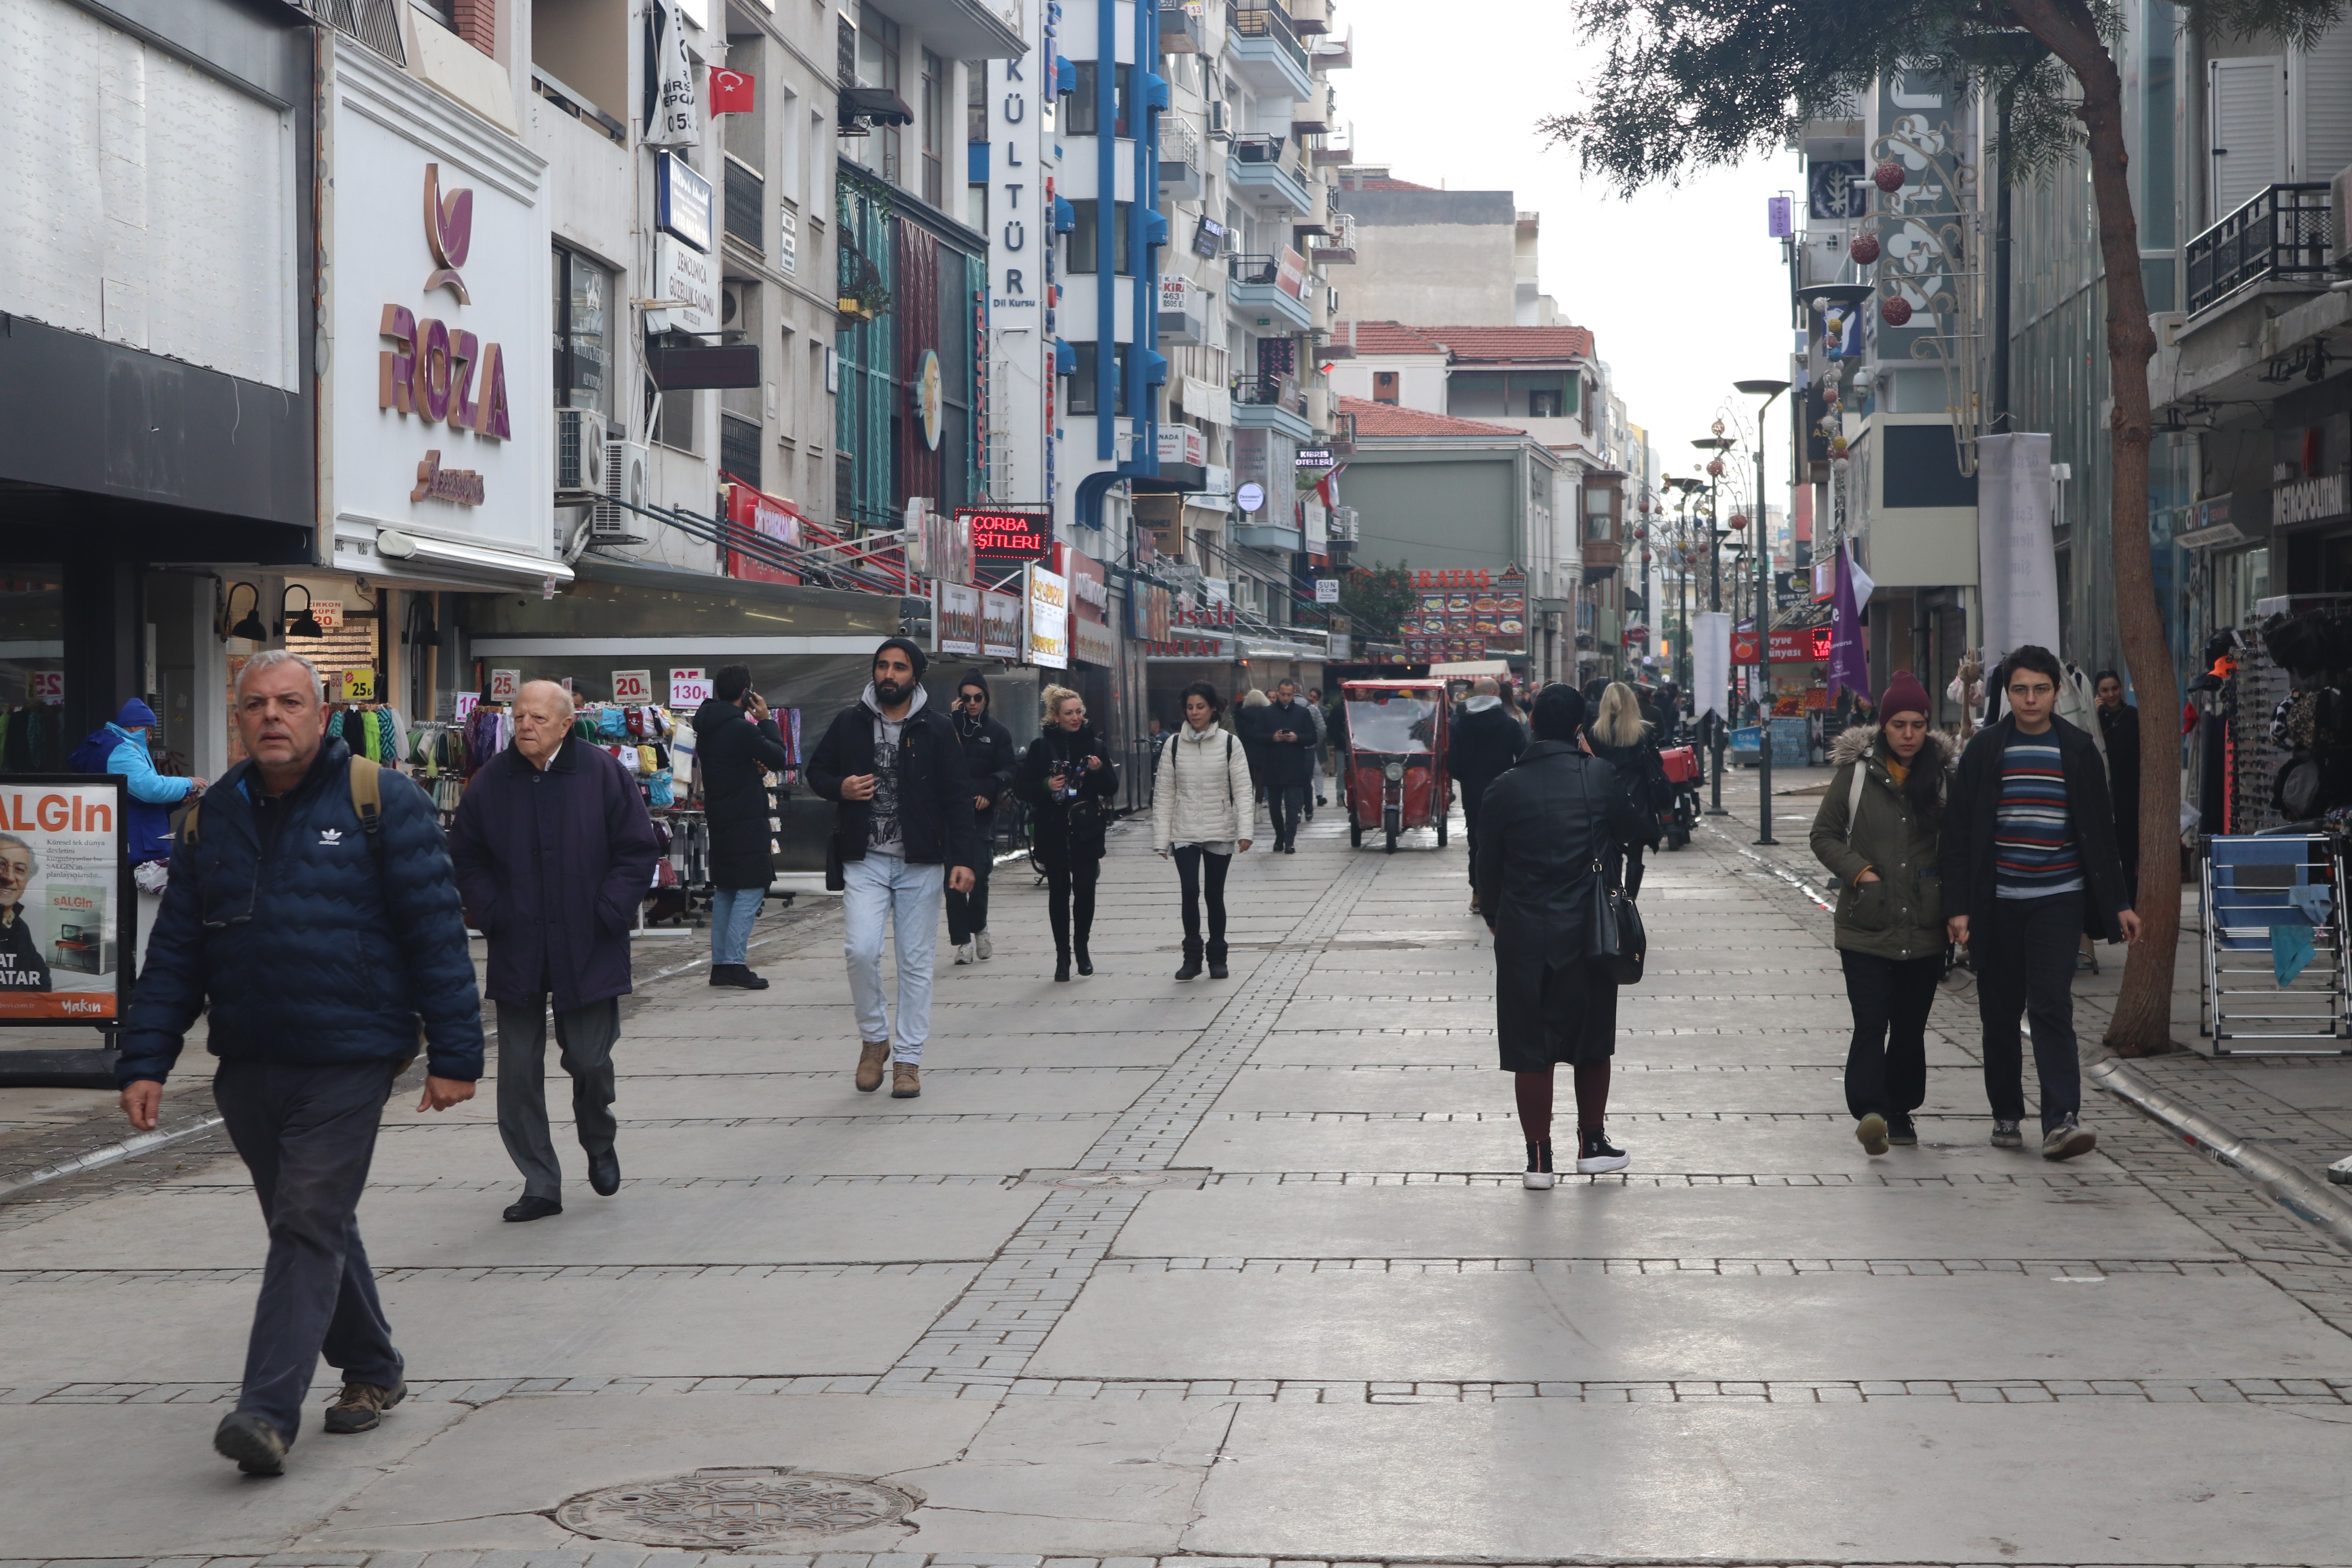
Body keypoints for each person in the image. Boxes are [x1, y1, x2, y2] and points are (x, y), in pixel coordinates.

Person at [114, 650, 482, 1476]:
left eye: (289, 702)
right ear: (237, 718)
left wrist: (455, 1052)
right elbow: (176, 952)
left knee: (307, 1215)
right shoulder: (212, 816)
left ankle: (265, 1412)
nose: (272, 716)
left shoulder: (383, 800)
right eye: (256, 704)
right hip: (249, 1060)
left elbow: (435, 934)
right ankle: (374, 1367)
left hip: (352, 1051)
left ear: (322, 714)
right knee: (311, 1219)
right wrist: (146, 1058)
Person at [448, 679, 661, 1223]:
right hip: (519, 941)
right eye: (519, 716)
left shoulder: (603, 773)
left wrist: (610, 911)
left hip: (589, 940)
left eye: (538, 718)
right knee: (518, 1071)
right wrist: (491, 912)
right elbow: (465, 853)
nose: (524, 726)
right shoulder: (492, 782)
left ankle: (598, 1136)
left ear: (568, 724)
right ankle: (540, 1182)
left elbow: (637, 849)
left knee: (590, 1059)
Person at [1942, 644, 2141, 1158]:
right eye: (2020, 690)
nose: (2031, 700)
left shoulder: (2077, 750)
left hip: (2059, 899)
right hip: (1998, 902)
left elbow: (2102, 834)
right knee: (2001, 1012)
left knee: (2052, 1006)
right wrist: (1959, 907)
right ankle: (2007, 1112)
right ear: (2007, 695)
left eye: (2041, 689)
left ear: (2057, 691)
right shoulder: (1986, 751)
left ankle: (2062, 1120)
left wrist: (2120, 903)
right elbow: (1960, 835)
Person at [1475, 684, 1650, 1186]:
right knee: (1592, 1040)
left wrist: (1494, 915)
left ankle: (1538, 1159)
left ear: (1530, 722)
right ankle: (1592, 1144)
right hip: (1589, 930)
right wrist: (1593, 763)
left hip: (1526, 931)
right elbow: (1636, 828)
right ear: (1581, 727)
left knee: (1530, 1046)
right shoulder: (1599, 776)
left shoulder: (1504, 787)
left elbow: (1488, 863)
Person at [809, 639, 980, 1098]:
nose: (889, 674)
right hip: (864, 859)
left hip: (919, 861)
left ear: (915, 675)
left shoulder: (938, 729)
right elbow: (817, 772)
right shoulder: (850, 722)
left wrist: (964, 859)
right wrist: (840, 787)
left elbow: (958, 798)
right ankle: (874, 1039)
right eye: (882, 666)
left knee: (916, 963)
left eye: (899, 667)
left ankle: (909, 1060)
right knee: (861, 951)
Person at [1809, 673, 1953, 1156]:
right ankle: (1871, 1110)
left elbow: (1958, 846)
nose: (1908, 734)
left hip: (1925, 924)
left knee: (1910, 1026)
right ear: (1883, 726)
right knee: (1871, 1020)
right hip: (1866, 924)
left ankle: (1901, 1108)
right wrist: (1860, 872)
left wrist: (1955, 905)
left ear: (1927, 727)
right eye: (1898, 724)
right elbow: (1824, 835)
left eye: (1917, 724)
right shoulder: (1855, 775)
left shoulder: (1942, 778)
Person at [692, 665, 790, 989]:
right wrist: (765, 720)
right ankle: (734, 962)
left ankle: (721, 965)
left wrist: (753, 769)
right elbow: (778, 756)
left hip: (720, 815)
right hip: (746, 817)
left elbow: (734, 767)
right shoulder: (742, 729)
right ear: (747, 693)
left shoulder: (707, 728)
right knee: (751, 887)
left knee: (727, 890)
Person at [1152, 681, 1258, 980]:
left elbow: (1243, 789)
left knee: (1214, 894)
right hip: (1184, 829)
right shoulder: (1173, 745)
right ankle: (1192, 957)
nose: (1195, 713)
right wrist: (1162, 840)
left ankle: (1218, 957)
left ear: (1213, 708)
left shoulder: (1228, 743)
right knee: (1189, 891)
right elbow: (1164, 794)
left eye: (1200, 707)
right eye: (1190, 707)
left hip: (1218, 828)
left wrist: (1245, 831)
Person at [1016, 685, 1120, 981]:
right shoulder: (1041, 747)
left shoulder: (1096, 747)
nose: (1075, 718)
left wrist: (1100, 772)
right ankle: (1063, 956)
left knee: (1086, 889)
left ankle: (1082, 948)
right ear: (1055, 717)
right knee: (1059, 894)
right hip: (1053, 830)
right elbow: (1023, 789)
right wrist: (1045, 786)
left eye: (1079, 712)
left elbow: (1112, 788)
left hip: (1086, 831)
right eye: (1069, 714)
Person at [947, 672, 1015, 965]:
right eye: (966, 698)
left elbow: (1010, 769)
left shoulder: (998, 732)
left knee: (980, 876)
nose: (972, 703)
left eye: (978, 698)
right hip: (951, 812)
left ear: (986, 699)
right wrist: (953, 725)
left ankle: (980, 928)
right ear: (959, 700)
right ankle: (962, 941)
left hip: (981, 813)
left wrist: (991, 788)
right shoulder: (948, 728)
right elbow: (940, 765)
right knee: (952, 881)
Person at [1447, 677, 1528, 915]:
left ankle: (1478, 895)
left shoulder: (1460, 725)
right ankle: (1504, 892)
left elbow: (1453, 764)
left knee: (1477, 843)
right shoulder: (1509, 725)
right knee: (1507, 842)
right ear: (1495, 693)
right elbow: (1524, 756)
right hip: (1505, 792)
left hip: (1473, 793)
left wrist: (1468, 779)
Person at [1583, 682, 1667, 895]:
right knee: (1636, 851)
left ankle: (1614, 893)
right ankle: (1630, 900)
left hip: (1606, 793)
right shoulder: (1643, 731)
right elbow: (1657, 762)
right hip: (1636, 794)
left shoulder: (1596, 732)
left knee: (1612, 848)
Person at [2094, 670, 2141, 902]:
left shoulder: (2133, 717)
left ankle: (2133, 899)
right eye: (2105, 690)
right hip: (2106, 791)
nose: (2111, 694)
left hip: (2131, 792)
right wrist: (2095, 715)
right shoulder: (2097, 719)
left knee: (2132, 850)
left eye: (2114, 688)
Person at [1260, 678, 1317, 852]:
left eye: (1289, 695)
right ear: (1277, 693)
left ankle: (1290, 840)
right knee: (1275, 806)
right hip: (1274, 766)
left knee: (1293, 806)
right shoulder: (1267, 713)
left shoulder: (1302, 713)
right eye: (1283, 694)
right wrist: (1273, 738)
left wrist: (1297, 738)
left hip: (1295, 766)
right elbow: (1255, 736)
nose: (1286, 698)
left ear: (1294, 694)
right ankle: (1280, 837)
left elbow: (1313, 737)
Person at [0, 832, 53, 993]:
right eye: (0, 865)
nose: (9, 877)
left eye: (20, 870)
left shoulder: (18, 926)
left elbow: (42, 980)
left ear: (27, 881)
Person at [1236, 686, 1272, 803]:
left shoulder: (1241, 714)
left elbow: (1239, 732)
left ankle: (1249, 808)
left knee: (1248, 781)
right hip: (1263, 749)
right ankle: (1258, 811)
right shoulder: (1268, 713)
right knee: (1260, 781)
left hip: (1246, 750)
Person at [1305, 686, 1330, 810]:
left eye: (1315, 697)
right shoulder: (1303, 708)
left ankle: (1320, 796)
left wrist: (1317, 709)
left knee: (1318, 771)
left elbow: (1326, 725)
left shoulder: (1323, 710)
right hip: (1306, 745)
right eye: (1311, 696)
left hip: (1317, 746)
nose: (1312, 699)